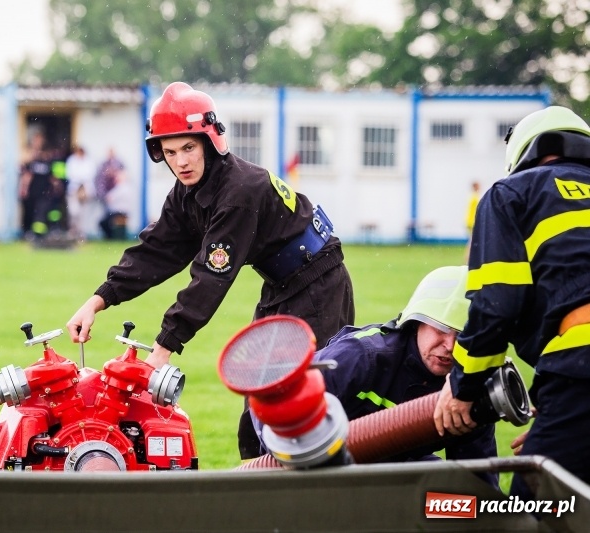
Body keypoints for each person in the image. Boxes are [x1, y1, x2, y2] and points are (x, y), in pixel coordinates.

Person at [66, 82, 355, 459]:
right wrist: (98, 300)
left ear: (210, 141)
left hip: (319, 285)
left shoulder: (239, 192)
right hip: (281, 284)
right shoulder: (188, 191)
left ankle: (324, 499)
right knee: (258, 407)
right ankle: (256, 500)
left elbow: (211, 277)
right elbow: (157, 250)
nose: (181, 161)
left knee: (303, 405)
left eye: (189, 148)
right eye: (170, 152)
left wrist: (163, 349)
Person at [433, 106, 590, 501]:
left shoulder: (514, 194)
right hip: (575, 381)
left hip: (580, 365)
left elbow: (497, 306)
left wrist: (462, 386)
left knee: (536, 512)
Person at [249, 265, 499, 487]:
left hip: (396, 472)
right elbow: (277, 403)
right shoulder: (360, 355)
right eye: (441, 329)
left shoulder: (468, 384)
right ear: (416, 321)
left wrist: (485, 513)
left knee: (451, 496)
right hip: (322, 470)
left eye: (463, 336)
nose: (449, 346)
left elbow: (476, 475)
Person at [65, 145, 97, 239]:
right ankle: (73, 231)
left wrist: (83, 184)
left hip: (85, 190)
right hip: (74, 189)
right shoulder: (71, 161)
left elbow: (90, 174)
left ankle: (82, 233)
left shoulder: (88, 161)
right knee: (73, 212)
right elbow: (70, 174)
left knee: (83, 213)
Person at [99, 169, 133, 240]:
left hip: (119, 211)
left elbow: (109, 197)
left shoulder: (121, 187)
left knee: (103, 222)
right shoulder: (127, 188)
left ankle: (110, 237)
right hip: (122, 211)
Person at [464, 180, 481, 262]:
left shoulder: (472, 197)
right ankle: (468, 258)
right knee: (471, 241)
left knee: (471, 241)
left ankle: (468, 258)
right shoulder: (475, 197)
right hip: (472, 222)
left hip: (470, 222)